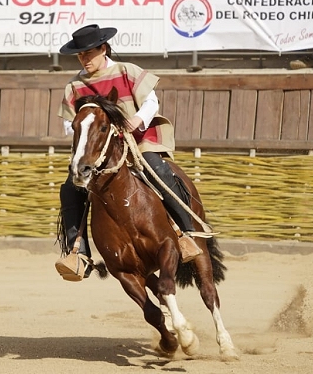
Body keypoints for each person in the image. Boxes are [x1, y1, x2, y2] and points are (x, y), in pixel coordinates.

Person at [54, 24, 204, 282]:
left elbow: (151, 101)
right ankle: (78, 253)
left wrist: (136, 120)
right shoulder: (75, 85)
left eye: (89, 53)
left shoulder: (127, 71)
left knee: (158, 169)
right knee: (70, 188)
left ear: (103, 49)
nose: (85, 59)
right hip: (98, 153)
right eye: (80, 55)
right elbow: (69, 123)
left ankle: (187, 234)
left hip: (138, 141)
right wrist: (85, 133)